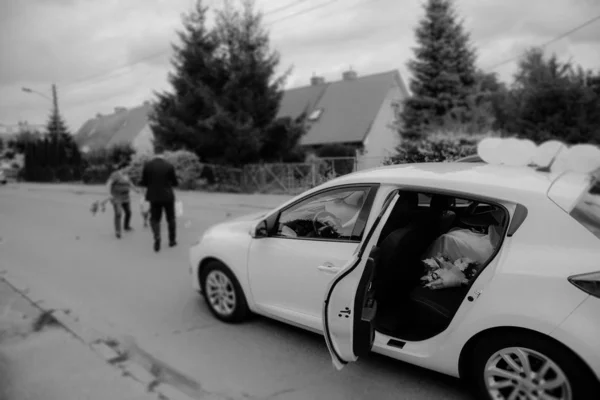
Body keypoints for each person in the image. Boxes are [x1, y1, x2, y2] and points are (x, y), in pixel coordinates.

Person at [140, 150, 179, 252]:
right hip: (167, 196)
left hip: (154, 196)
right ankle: (172, 240)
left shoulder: (148, 166)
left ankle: (157, 237)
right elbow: (175, 182)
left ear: (154, 154)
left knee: (155, 218)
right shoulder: (169, 166)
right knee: (171, 218)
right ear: (163, 154)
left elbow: (143, 182)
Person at [106, 161, 140, 239]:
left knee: (128, 212)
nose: (129, 169)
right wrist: (109, 194)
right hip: (116, 196)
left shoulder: (126, 175)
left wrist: (135, 190)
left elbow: (130, 183)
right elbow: (108, 184)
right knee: (118, 213)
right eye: (128, 168)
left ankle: (126, 226)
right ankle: (118, 231)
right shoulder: (115, 175)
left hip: (126, 197)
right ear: (123, 168)